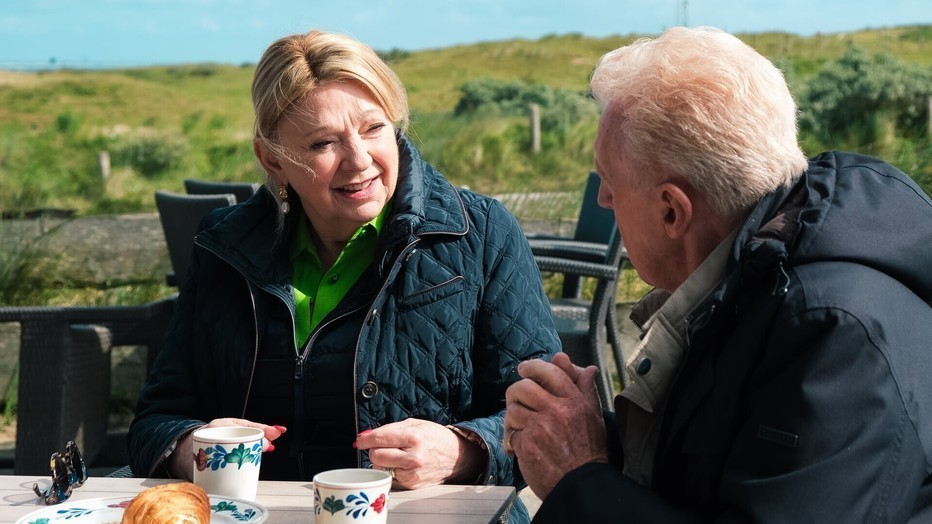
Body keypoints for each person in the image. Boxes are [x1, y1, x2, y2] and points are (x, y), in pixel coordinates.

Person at [127, 29, 559, 522]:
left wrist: (464, 451)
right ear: (272, 159)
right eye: (323, 142)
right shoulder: (222, 247)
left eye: (374, 128)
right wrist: (192, 449)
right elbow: (155, 422)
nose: (359, 160)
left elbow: (544, 422)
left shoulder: (481, 233)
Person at [504, 26, 932, 522]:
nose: (602, 199)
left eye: (609, 180)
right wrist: (596, 442)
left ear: (671, 211)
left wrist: (579, 477)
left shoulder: (831, 332)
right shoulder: (752, 277)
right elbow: (722, 466)